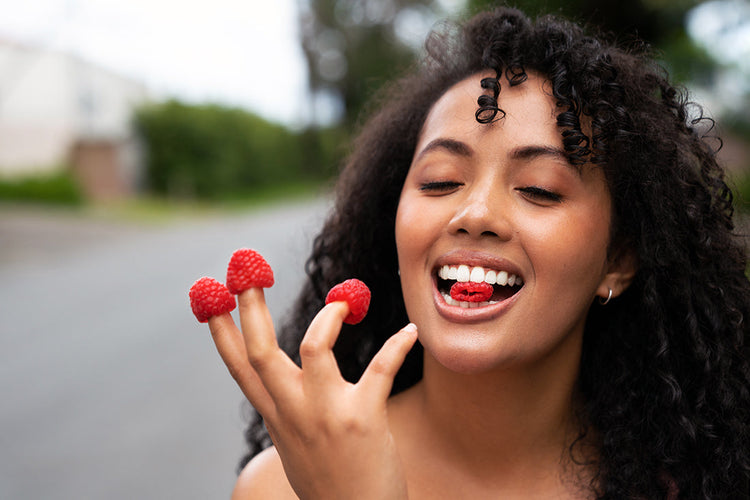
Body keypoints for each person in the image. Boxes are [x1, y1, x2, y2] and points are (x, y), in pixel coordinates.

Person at [204, 6, 750, 499]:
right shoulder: (279, 487)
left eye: (540, 188)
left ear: (618, 260)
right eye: (441, 181)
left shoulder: (686, 487)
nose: (476, 214)